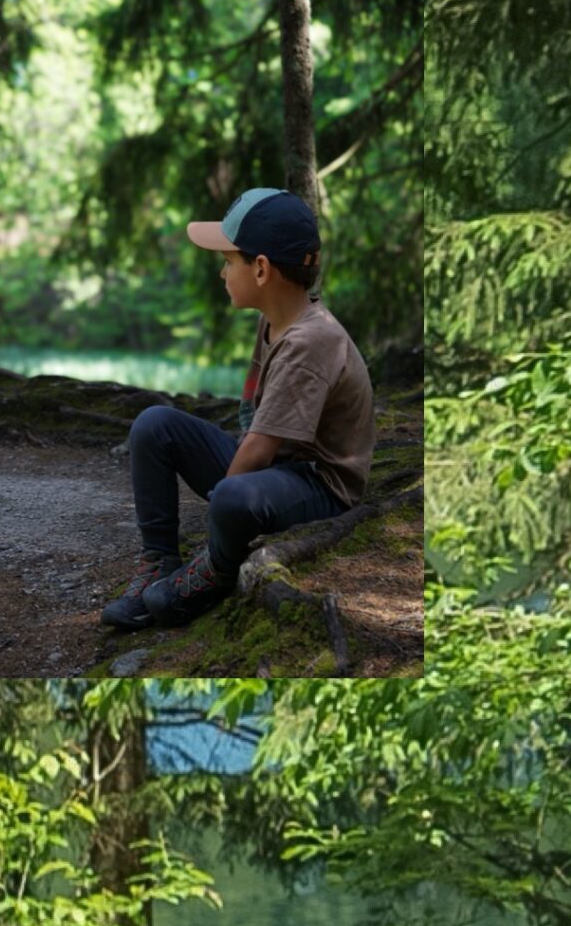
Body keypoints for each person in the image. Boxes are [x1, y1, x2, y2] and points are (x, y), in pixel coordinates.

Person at [101, 187, 378, 630]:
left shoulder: (310, 341)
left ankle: (216, 568)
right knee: (154, 424)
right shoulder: (275, 318)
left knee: (231, 496)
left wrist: (219, 515)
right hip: (278, 471)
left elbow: (260, 449)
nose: (221, 272)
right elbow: (259, 439)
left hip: (320, 487)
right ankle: (158, 559)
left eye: (229, 261)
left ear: (262, 269)